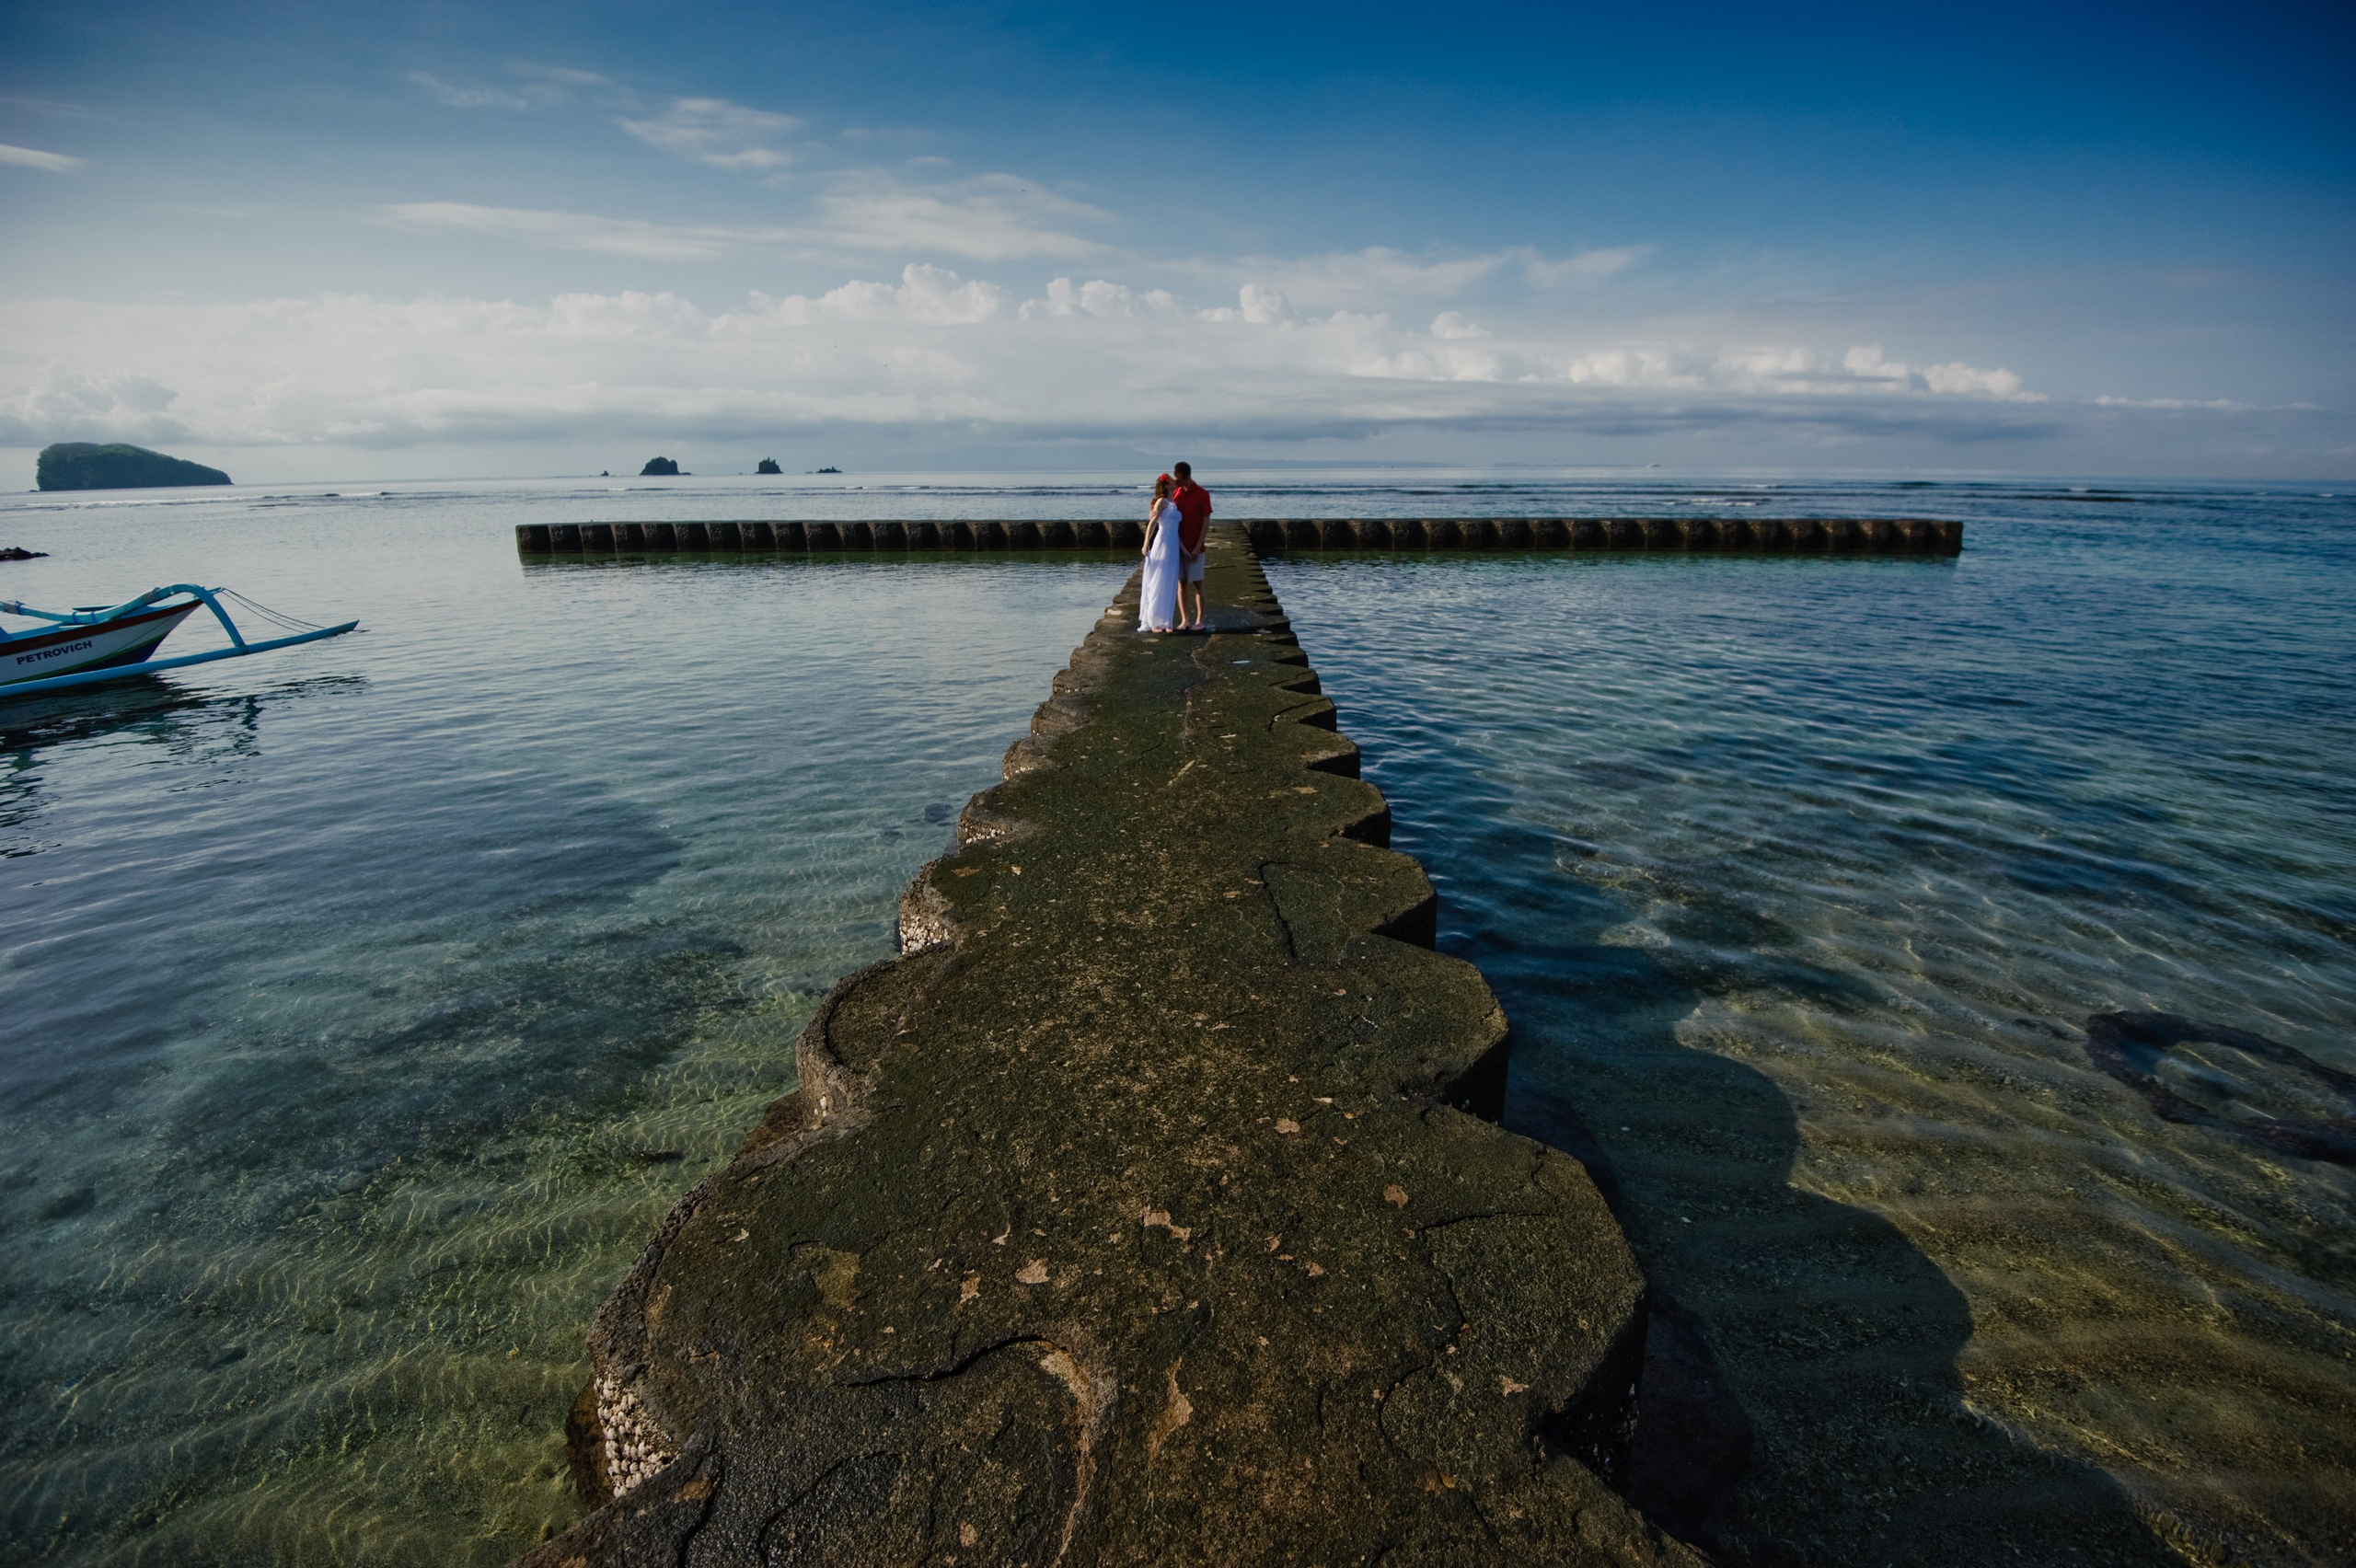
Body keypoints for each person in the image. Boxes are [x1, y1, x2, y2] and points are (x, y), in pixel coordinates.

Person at [1171, 460, 1212, 630]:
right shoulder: (1176, 493)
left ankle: (1199, 620)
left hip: (1196, 546)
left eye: (1179, 478)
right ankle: (1185, 620)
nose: (1177, 481)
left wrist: (1196, 547)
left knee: (1197, 583)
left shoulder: (1202, 494)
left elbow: (1206, 523)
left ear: (1187, 476)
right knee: (1181, 583)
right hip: (1179, 547)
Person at [1138, 474, 1183, 633]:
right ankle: (1154, 621)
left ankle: (1166, 621)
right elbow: (1152, 522)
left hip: (1173, 544)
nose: (1174, 481)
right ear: (1166, 485)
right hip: (1162, 541)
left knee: (1170, 581)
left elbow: (1177, 530)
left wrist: (1184, 549)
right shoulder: (1161, 502)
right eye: (1171, 480)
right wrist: (1146, 543)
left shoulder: (1174, 503)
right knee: (1158, 579)